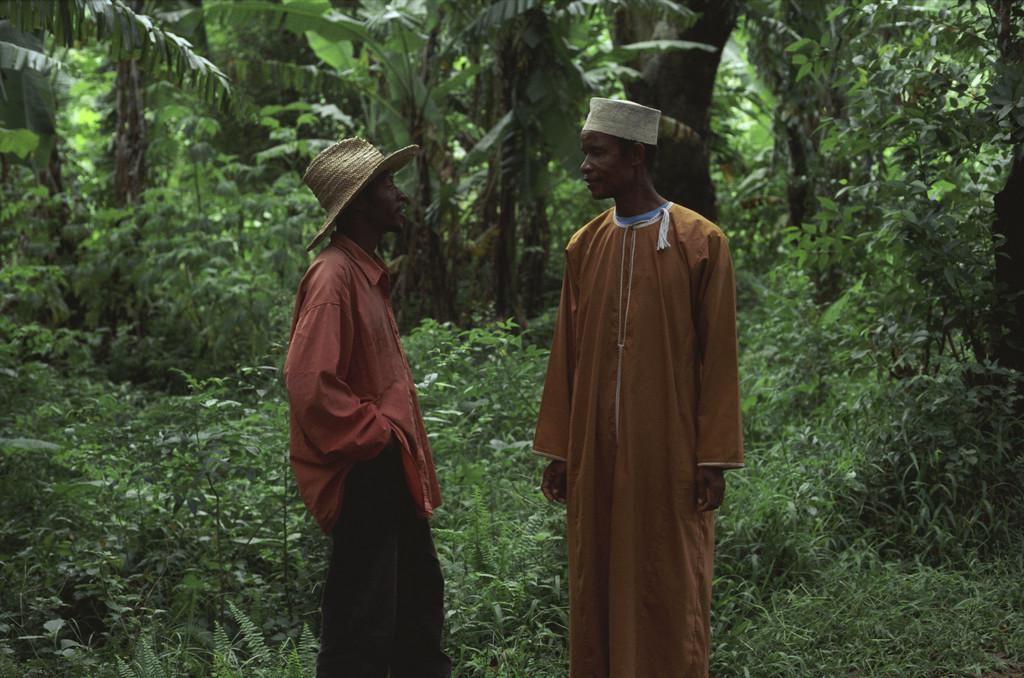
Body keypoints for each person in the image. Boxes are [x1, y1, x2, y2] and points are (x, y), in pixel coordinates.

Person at [533, 98, 744, 677]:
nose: (586, 166)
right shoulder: (585, 246)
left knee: (669, 575)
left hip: (669, 454)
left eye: (597, 153)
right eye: (585, 153)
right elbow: (566, 356)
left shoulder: (701, 242)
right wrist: (560, 450)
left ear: (635, 155)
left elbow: (719, 360)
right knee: (595, 574)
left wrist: (714, 458)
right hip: (595, 455)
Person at [284, 137, 451, 678]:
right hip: (366, 468)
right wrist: (375, 434)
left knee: (414, 608)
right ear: (359, 203)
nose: (399, 196)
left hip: (385, 463)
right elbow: (309, 381)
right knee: (362, 623)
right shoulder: (333, 276)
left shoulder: (364, 272)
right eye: (387, 185)